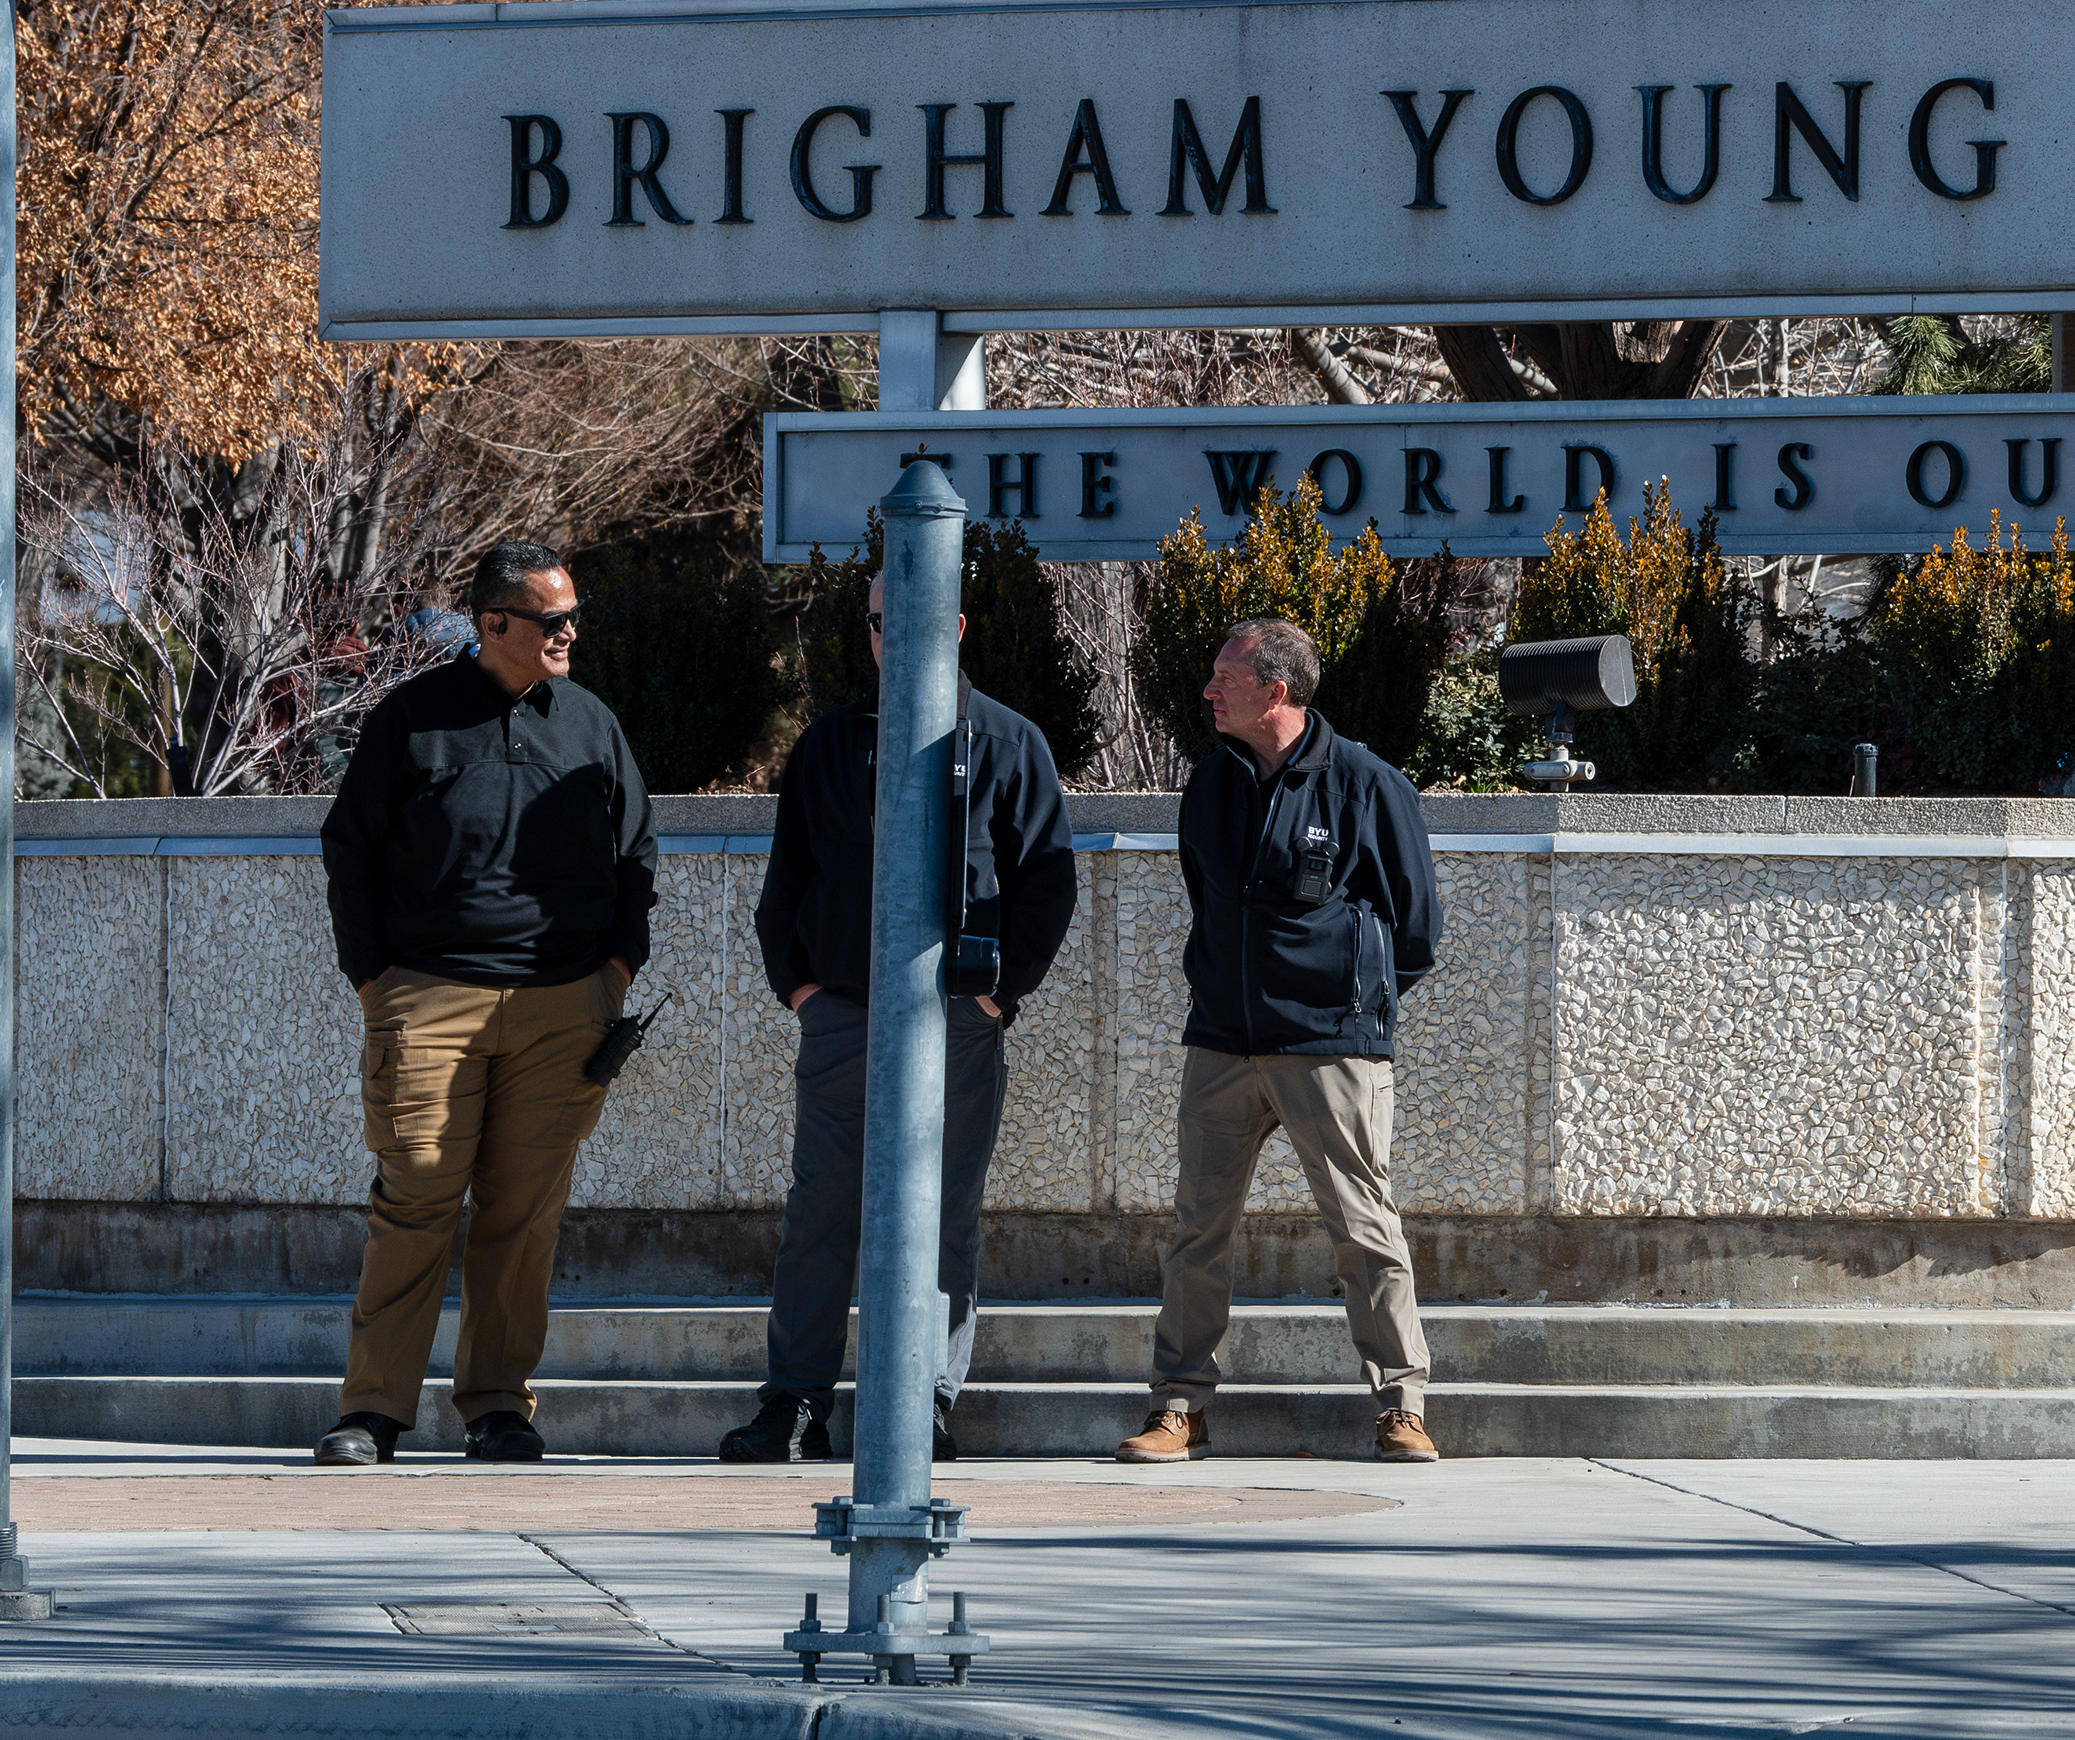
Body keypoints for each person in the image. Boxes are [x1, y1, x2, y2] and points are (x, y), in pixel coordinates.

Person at [722, 577, 1079, 1464]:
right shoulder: (831, 743)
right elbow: (788, 881)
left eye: (910, 622)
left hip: (957, 1018)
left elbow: (1048, 885)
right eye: (879, 623)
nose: (891, 639)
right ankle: (796, 1403)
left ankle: (921, 1399)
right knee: (820, 1214)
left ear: (955, 626)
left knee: (943, 1214)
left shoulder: (1008, 742)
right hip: (844, 1014)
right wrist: (800, 989)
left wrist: (998, 994)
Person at [314, 541, 654, 1465]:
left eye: (575, 615)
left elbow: (638, 859)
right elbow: (349, 848)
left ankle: (500, 1407)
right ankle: (373, 1411)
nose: (570, 632)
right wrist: (374, 980)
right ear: (492, 623)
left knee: (522, 1211)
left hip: (563, 1008)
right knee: (415, 1193)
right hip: (428, 1000)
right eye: (552, 620)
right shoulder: (411, 719)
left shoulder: (590, 724)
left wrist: (616, 972)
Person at [1120, 618, 1444, 1464]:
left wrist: (1346, 1003)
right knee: (1198, 1230)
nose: (1207, 690)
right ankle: (1178, 1409)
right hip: (1223, 1041)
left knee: (1363, 1227)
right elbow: (1205, 896)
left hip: (1332, 1046)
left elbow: (1416, 928)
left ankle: (1401, 1407)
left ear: (1276, 690)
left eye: (1224, 676)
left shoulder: (1368, 783)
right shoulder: (1211, 782)